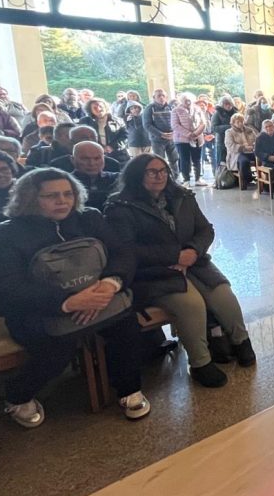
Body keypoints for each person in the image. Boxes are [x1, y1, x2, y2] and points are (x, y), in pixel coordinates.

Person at [0, 168, 151, 426]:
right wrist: (67, 302)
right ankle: (17, 395)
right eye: (51, 196)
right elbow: (8, 287)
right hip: (41, 309)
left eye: (67, 194)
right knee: (57, 346)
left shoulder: (90, 218)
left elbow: (123, 254)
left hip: (101, 297)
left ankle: (129, 388)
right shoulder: (5, 235)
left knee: (126, 327)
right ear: (30, 198)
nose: (62, 201)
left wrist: (109, 284)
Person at [105, 154, 254, 388]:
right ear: (136, 175)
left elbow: (206, 230)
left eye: (163, 170)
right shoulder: (120, 205)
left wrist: (193, 252)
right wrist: (175, 257)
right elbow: (128, 249)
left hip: (194, 261)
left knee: (223, 293)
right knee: (191, 304)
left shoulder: (182, 196)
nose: (159, 176)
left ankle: (241, 342)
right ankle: (200, 363)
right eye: (151, 172)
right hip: (154, 271)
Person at [70, 140, 119, 211]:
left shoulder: (117, 179)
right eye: (85, 159)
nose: (91, 163)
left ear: (104, 159)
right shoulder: (65, 182)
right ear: (72, 160)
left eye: (97, 158)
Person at [49, 126, 122, 173]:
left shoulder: (112, 164)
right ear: (71, 141)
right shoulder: (58, 165)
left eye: (93, 137)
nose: (90, 140)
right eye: (84, 137)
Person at [171, 93, 208, 187]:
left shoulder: (197, 109)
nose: (187, 101)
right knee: (184, 159)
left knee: (197, 159)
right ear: (181, 100)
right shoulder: (176, 110)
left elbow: (203, 123)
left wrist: (196, 133)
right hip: (182, 139)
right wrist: (189, 134)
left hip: (197, 137)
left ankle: (198, 178)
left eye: (189, 99)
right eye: (185, 99)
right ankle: (186, 179)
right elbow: (175, 125)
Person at [79, 97, 128, 164]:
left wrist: (112, 147)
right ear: (90, 110)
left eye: (100, 106)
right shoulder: (85, 121)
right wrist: (100, 147)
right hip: (94, 156)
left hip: (118, 155)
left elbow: (125, 136)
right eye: (95, 108)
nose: (98, 109)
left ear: (105, 107)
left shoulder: (118, 120)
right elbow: (82, 137)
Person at [142, 88, 179, 171]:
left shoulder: (171, 107)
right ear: (154, 98)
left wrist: (174, 133)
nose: (161, 97)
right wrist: (161, 134)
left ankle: (175, 179)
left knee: (174, 160)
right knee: (159, 160)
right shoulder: (149, 108)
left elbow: (177, 121)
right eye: (159, 96)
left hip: (171, 139)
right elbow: (147, 125)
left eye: (163, 95)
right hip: (157, 140)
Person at [225, 113, 258, 191]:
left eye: (242, 121)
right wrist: (244, 148)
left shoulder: (249, 130)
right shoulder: (229, 132)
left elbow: (257, 141)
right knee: (244, 162)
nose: (240, 123)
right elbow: (230, 145)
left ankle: (262, 180)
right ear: (233, 123)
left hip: (252, 151)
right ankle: (246, 181)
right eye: (238, 122)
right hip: (238, 153)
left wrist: (253, 146)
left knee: (261, 159)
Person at [254, 118, 274, 196]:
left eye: (270, 126)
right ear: (263, 128)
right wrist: (268, 157)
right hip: (267, 160)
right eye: (266, 127)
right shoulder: (260, 137)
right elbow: (257, 152)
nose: (269, 128)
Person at [210, 95, 236, 169]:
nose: (228, 106)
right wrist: (229, 127)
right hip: (222, 141)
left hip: (234, 140)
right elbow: (214, 127)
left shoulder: (235, 112)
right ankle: (221, 178)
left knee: (233, 162)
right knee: (222, 162)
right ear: (222, 105)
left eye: (230, 104)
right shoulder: (217, 114)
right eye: (226, 104)